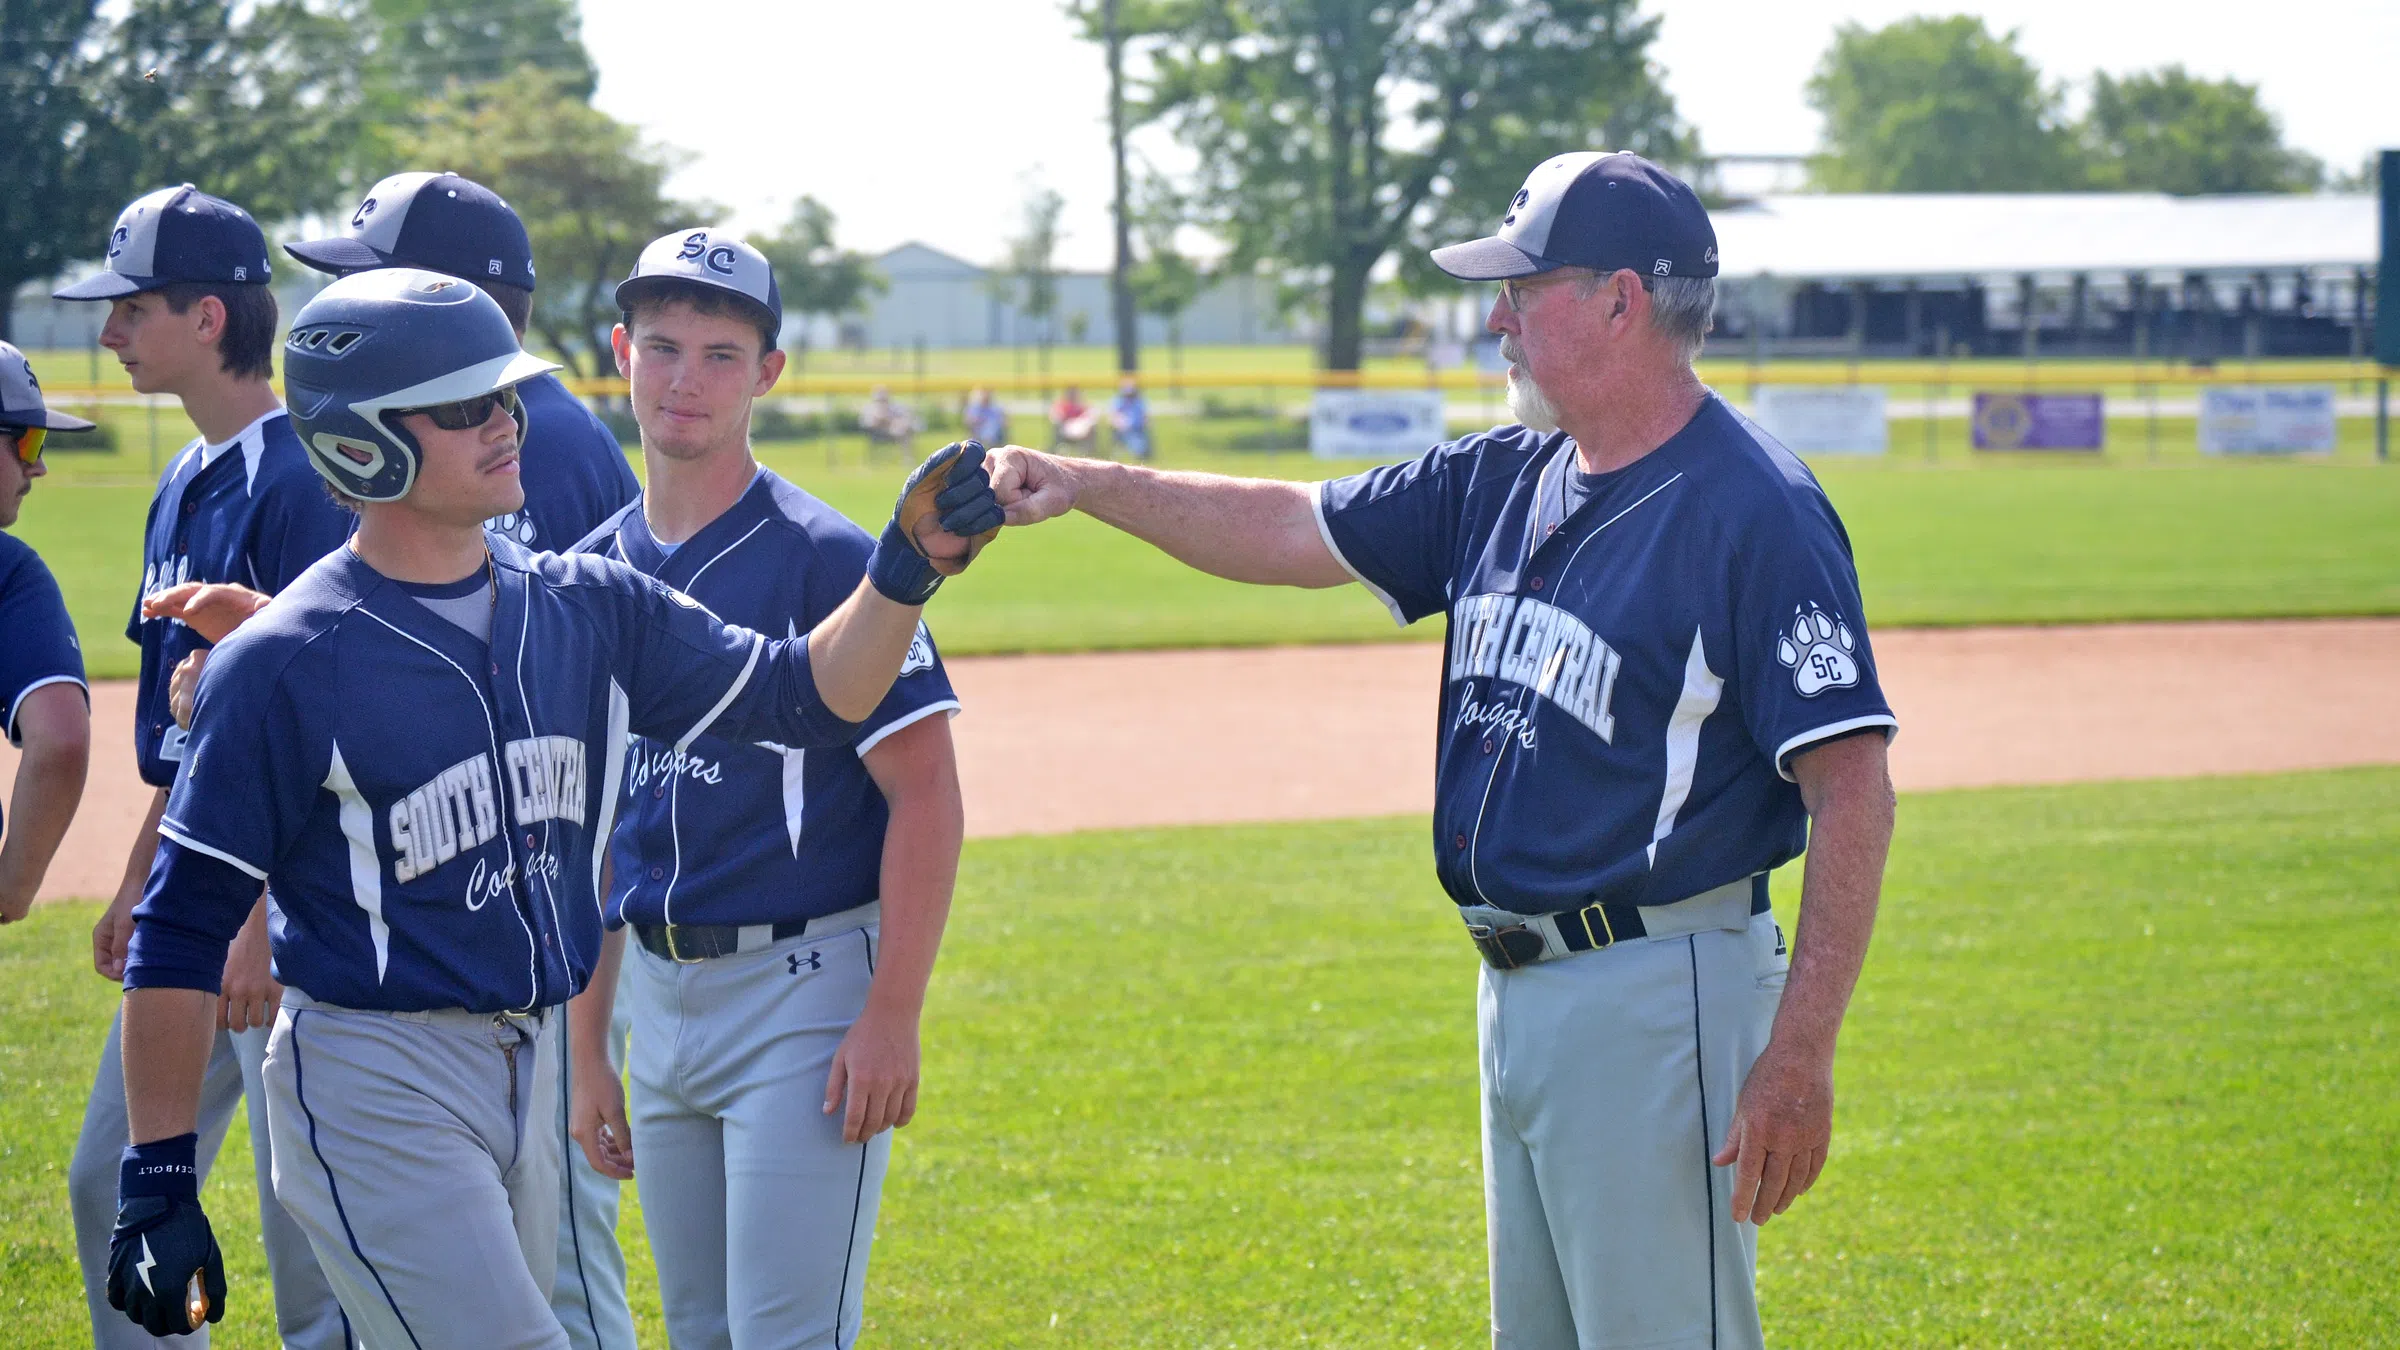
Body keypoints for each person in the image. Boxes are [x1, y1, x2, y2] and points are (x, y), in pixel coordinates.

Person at [986, 151, 1897, 1350]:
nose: (1495, 317)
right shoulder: (1500, 477)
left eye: (1523, 287)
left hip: (1659, 987)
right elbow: (1291, 525)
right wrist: (1091, 484)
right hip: (1518, 993)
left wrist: (1798, 1057)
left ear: (1622, 301)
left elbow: (1856, 790)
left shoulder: (1753, 508)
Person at [104, 266, 1005, 1346]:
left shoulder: (583, 602)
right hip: (372, 1074)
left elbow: (804, 695)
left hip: (523, 1070)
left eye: (503, 396)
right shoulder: (288, 660)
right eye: (462, 406)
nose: (503, 423)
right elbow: (180, 930)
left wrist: (901, 576)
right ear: (361, 442)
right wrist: (157, 1173)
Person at [564, 228, 965, 1349]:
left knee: (787, 1335)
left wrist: (892, 1015)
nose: (685, 377)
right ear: (621, 355)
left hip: (806, 993)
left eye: (722, 353)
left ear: (770, 373)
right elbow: (598, 830)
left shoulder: (829, 559)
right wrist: (590, 1043)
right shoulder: (597, 570)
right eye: (661, 346)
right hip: (656, 994)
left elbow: (926, 791)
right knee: (695, 1329)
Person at [51, 182, 353, 1350]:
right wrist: (139, 878)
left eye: (132, 308)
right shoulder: (182, 480)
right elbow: (191, 739)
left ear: (211, 319)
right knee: (109, 1182)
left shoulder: (300, 482)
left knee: (309, 1244)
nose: (111, 331)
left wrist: (258, 920)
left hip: (278, 915)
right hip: (195, 894)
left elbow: (320, 714)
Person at [284, 170, 641, 552]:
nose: (340, 299)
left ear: (445, 296)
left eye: (360, 281)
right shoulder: (510, 413)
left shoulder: (519, 439)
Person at [0, 342, 95, 926]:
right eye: (28, 443)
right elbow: (61, 742)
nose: (38, 466)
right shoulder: (9, 571)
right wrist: (11, 891)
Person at [860, 385, 920, 457]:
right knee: (902, 431)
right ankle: (908, 458)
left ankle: (908, 458)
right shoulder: (870, 409)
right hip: (878, 434)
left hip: (895, 430)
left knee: (904, 429)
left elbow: (906, 417)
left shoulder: (895, 407)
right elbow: (867, 423)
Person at [1107, 378, 1152, 461]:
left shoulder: (1139, 401)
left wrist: (1145, 423)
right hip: (1123, 431)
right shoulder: (1118, 401)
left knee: (1140, 441)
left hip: (1139, 430)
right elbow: (1112, 417)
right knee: (1134, 441)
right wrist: (1120, 423)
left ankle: (1142, 452)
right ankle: (1138, 451)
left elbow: (1146, 417)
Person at [1048, 384, 1095, 453]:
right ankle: (1058, 447)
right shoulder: (1062, 405)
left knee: (1091, 427)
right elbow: (1054, 415)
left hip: (1082, 428)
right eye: (1071, 393)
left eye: (1074, 393)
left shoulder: (1083, 405)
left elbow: (1090, 415)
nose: (1073, 395)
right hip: (1065, 428)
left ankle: (1088, 450)